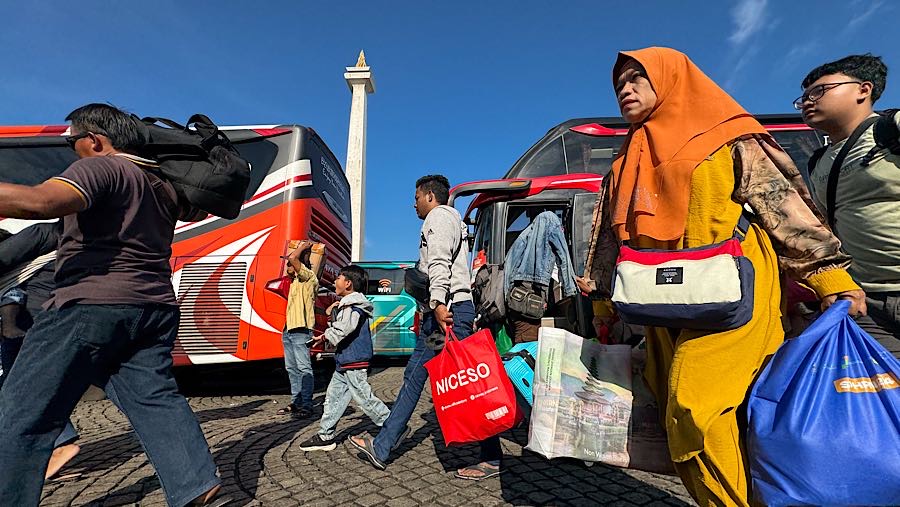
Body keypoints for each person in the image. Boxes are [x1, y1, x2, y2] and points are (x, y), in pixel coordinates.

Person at [577, 48, 864, 506]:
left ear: (671, 79)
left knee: (695, 405)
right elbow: (607, 239)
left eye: (636, 78)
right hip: (660, 301)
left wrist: (829, 278)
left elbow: (782, 208)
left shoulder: (728, 137)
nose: (625, 90)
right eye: (619, 85)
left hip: (734, 291)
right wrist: (602, 304)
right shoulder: (626, 160)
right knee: (681, 412)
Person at [0, 104, 224, 507]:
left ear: (94, 140)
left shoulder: (101, 167)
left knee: (21, 414)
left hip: (90, 304)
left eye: (71, 142)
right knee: (153, 398)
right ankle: (195, 482)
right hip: (154, 307)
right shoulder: (161, 184)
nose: (72, 151)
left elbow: (39, 202)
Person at [348, 175, 503, 481]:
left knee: (469, 382)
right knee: (415, 376)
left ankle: (492, 456)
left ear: (430, 196)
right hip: (442, 312)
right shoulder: (450, 219)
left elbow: (439, 263)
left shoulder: (439, 217)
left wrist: (438, 302)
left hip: (448, 311)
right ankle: (384, 444)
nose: (414, 204)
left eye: (417, 197)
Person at [798, 54, 900, 357]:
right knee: (879, 385)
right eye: (803, 97)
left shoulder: (890, 130)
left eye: (819, 91)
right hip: (866, 302)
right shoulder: (817, 163)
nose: (807, 102)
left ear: (863, 90)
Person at [0, 221, 81, 480]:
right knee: (22, 386)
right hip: (36, 323)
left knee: (19, 387)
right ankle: (51, 449)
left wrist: (9, 326)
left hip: (31, 324)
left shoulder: (41, 234)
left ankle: (58, 446)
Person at [298, 265, 390, 451]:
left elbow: (344, 329)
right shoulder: (349, 305)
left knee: (364, 398)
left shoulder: (352, 306)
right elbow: (342, 326)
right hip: (345, 361)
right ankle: (325, 435)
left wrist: (325, 336)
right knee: (333, 398)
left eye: (338, 278)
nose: (334, 281)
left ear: (348, 283)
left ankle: (393, 426)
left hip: (354, 361)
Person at [277, 240, 319, 418]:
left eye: (289, 264)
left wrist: (302, 247)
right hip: (289, 330)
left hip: (302, 330)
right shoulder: (294, 281)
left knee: (304, 369)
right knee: (292, 369)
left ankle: (307, 405)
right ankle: (296, 402)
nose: (287, 266)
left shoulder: (309, 277)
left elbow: (294, 257)